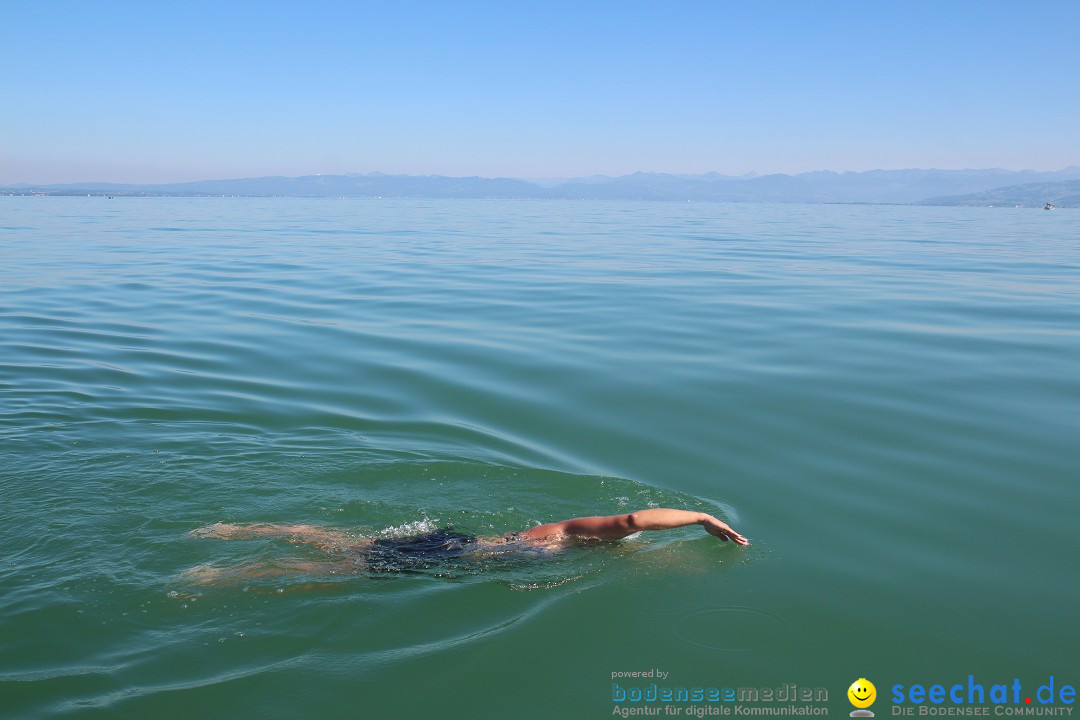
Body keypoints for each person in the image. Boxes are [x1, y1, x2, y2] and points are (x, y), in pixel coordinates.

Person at [184, 509, 747, 584]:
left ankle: (234, 530)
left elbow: (633, 523)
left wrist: (699, 520)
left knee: (343, 546)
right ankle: (224, 576)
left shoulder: (572, 535)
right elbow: (631, 520)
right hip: (456, 555)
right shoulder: (576, 534)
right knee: (339, 568)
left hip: (456, 542)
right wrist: (701, 517)